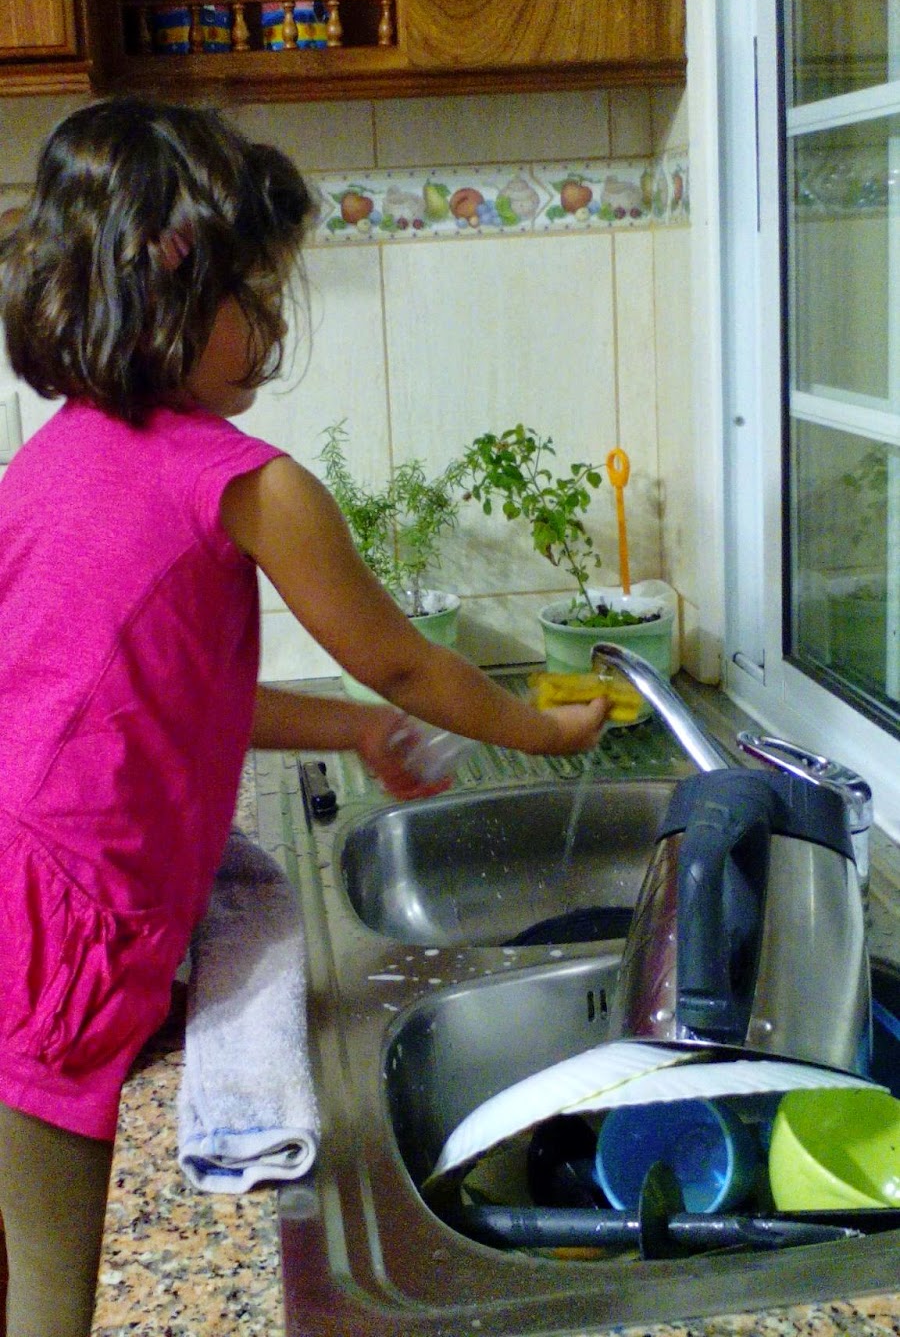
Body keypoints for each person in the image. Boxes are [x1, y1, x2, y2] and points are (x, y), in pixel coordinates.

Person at [0, 97, 607, 1336]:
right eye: (252, 293)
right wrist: (548, 731)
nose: (274, 327)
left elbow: (163, 704)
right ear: (162, 285)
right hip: (67, 921)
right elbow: (406, 666)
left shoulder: (55, 455)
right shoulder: (251, 485)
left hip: (22, 875)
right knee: (52, 1282)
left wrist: (352, 736)